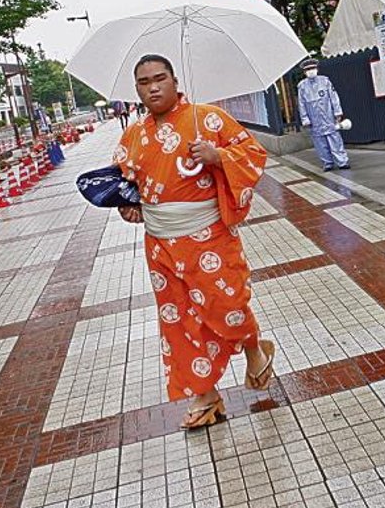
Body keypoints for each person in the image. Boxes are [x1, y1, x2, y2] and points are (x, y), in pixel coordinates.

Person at [114, 54, 275, 430]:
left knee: (228, 303)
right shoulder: (133, 136)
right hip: (160, 244)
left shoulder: (208, 119)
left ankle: (254, 347)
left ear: (174, 80)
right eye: (143, 82)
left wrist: (218, 155)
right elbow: (126, 184)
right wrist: (130, 207)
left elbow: (253, 153)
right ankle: (205, 396)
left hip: (208, 237)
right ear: (136, 89)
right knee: (178, 320)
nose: (153, 87)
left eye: (159, 78)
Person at [296, 58, 350, 171]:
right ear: (304, 72)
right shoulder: (302, 86)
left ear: (317, 69)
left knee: (335, 138)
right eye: (308, 69)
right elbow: (301, 104)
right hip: (314, 119)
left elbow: (334, 97)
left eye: (312, 68)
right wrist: (305, 119)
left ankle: (342, 162)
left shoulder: (325, 81)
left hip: (328, 116)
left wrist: (337, 112)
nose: (311, 71)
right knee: (320, 142)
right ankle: (327, 163)